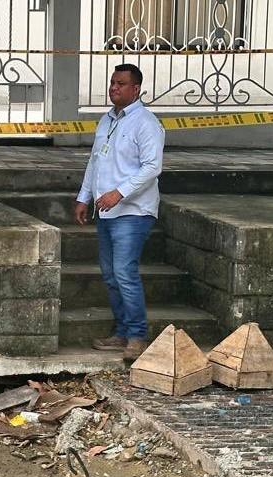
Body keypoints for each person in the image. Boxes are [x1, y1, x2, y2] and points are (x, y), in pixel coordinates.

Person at [75, 63, 165, 361]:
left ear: (135, 89)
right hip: (106, 211)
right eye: (112, 82)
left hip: (134, 211)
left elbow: (153, 167)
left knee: (125, 271)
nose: (114, 88)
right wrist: (83, 197)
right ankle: (122, 332)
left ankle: (138, 336)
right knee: (111, 275)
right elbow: (95, 162)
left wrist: (119, 192)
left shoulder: (146, 123)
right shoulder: (107, 121)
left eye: (121, 84)